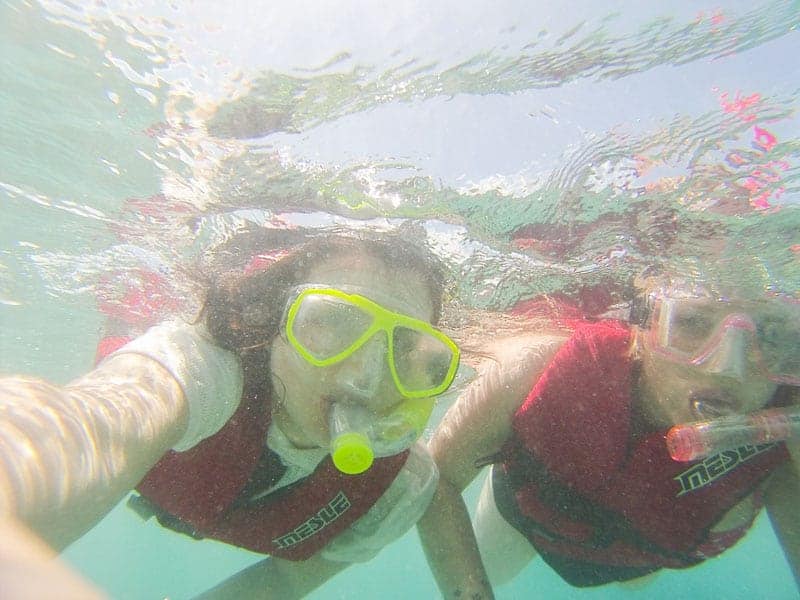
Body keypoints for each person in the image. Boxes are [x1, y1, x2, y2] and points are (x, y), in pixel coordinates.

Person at [0, 228, 461, 599]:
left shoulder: (398, 488)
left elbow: (285, 582)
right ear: (273, 322)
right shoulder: (201, 370)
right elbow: (82, 426)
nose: (364, 379)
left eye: (404, 348)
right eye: (332, 322)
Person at [418, 271, 800, 598]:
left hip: (647, 557)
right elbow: (439, 478)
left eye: (771, 333)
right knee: (488, 572)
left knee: (635, 584)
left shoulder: (788, 424)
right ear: (642, 325)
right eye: (692, 322)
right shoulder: (536, 365)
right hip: (522, 521)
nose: (726, 368)